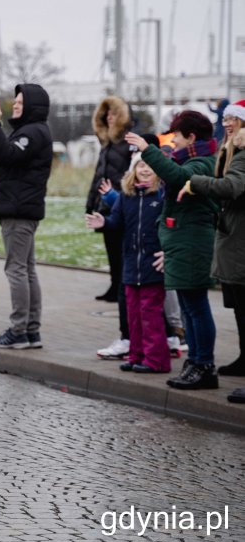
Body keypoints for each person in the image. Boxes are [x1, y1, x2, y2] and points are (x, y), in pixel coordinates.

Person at [127, 110, 219, 389]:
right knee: (190, 307)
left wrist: (149, 150)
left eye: (176, 135)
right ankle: (195, 363)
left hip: (193, 242)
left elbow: (178, 177)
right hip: (182, 241)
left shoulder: (202, 163)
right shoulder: (192, 159)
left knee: (196, 306)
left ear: (190, 136)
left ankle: (204, 365)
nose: (173, 140)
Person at [179, 104, 245, 382]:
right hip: (234, 238)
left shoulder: (242, 153)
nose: (227, 123)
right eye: (226, 118)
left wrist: (195, 183)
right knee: (239, 307)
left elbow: (231, 187)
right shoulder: (232, 150)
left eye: (233, 119)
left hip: (240, 240)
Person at [86, 154, 170, 373]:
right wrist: (104, 222)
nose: (145, 169)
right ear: (133, 170)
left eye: (150, 166)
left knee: (150, 315)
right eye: (141, 165)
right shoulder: (126, 196)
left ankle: (156, 361)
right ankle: (136, 355)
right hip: (132, 265)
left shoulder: (162, 196)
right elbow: (116, 223)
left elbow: (170, 227)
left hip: (153, 266)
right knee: (133, 315)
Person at [0, 84, 53, 349]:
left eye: (20, 101)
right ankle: (31, 330)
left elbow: (7, 154)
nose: (14, 104)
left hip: (18, 211)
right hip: (22, 209)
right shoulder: (32, 131)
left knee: (16, 269)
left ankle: (19, 330)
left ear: (33, 105)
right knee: (27, 270)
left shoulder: (33, 132)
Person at [87, 96, 135, 304]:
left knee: (121, 249)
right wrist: (91, 203)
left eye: (114, 114)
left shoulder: (127, 142)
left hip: (120, 201)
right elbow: (99, 175)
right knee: (111, 249)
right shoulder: (106, 143)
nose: (110, 117)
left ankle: (122, 287)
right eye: (107, 114)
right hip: (104, 203)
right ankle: (114, 285)